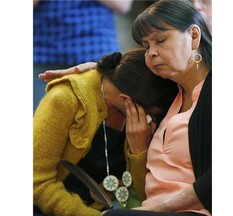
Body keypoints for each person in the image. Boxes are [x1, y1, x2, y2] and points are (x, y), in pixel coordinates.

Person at [39, 0, 212, 215]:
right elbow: (126, 73)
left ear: (194, 36)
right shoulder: (171, 91)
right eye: (146, 46)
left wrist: (157, 207)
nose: (152, 53)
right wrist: (98, 72)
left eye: (161, 40)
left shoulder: (199, 93)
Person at [33, 48, 179, 216]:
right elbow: (38, 181)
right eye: (152, 115)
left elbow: (143, 193)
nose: (152, 120)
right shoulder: (66, 99)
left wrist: (139, 150)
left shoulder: (140, 115)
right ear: (126, 100)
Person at [33, 0, 133, 111]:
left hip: (97, 51)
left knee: (101, 120)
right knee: (42, 120)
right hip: (44, 54)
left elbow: (123, 5)